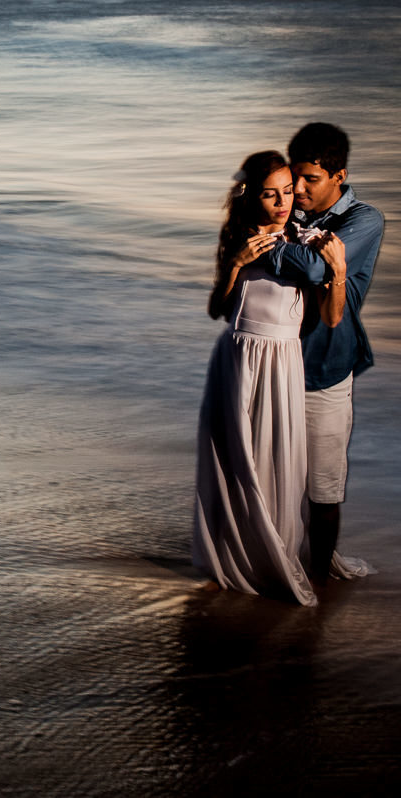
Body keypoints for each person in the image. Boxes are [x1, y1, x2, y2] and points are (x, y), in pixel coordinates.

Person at [192, 150, 346, 606]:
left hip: (283, 357)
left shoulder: (306, 241)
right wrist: (236, 264)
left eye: (287, 191)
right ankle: (235, 553)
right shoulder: (239, 236)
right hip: (238, 355)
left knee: (278, 457)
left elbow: (332, 318)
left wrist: (336, 271)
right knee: (238, 457)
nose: (282, 202)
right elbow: (218, 309)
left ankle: (274, 549)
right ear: (251, 196)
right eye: (269, 194)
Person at [274, 123, 384, 585]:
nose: (296, 190)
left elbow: (320, 268)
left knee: (323, 487)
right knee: (270, 482)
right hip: (272, 366)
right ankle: (272, 565)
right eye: (292, 178)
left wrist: (276, 245)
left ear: (338, 175)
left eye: (310, 180)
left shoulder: (363, 220)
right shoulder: (288, 214)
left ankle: (318, 580)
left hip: (325, 369)